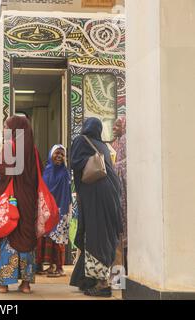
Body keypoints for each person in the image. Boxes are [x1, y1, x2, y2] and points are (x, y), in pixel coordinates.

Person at [69, 117, 123, 298]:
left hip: (96, 194)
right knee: (107, 236)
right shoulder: (102, 145)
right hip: (112, 194)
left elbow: (75, 163)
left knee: (96, 237)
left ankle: (102, 284)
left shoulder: (80, 141)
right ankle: (101, 281)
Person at [0, 116, 39, 294]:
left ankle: (3, 283)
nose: (3, 130)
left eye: (5, 126)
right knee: (27, 238)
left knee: (7, 236)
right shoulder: (32, 150)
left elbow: (4, 171)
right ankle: (25, 284)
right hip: (28, 202)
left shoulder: (10, 146)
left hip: (11, 203)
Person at [36, 145, 71, 277]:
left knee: (58, 239)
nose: (59, 156)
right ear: (51, 154)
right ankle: (48, 265)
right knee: (46, 238)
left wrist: (63, 210)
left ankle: (58, 267)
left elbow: (66, 193)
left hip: (61, 209)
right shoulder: (47, 171)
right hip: (47, 210)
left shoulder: (65, 173)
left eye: (62, 154)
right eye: (57, 153)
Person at [111, 117, 127, 272]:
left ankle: (118, 280)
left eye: (118, 125)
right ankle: (117, 279)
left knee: (119, 241)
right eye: (114, 125)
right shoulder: (113, 144)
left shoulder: (125, 142)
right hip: (115, 197)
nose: (114, 127)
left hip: (122, 197)